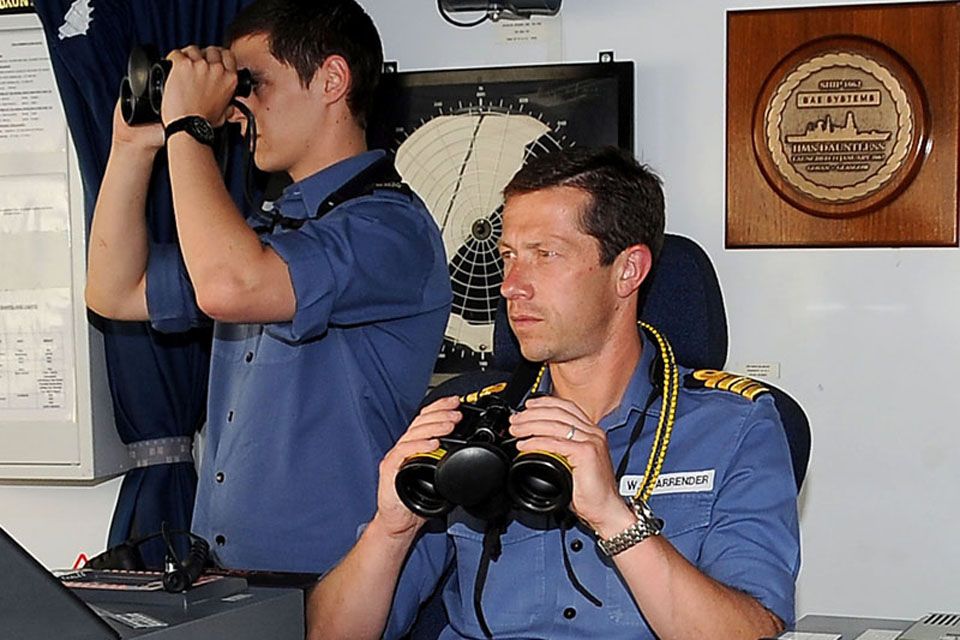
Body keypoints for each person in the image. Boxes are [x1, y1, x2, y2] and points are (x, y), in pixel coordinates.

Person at [305, 146, 800, 639]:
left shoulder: (735, 427)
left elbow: (751, 632)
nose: (511, 286)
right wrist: (389, 532)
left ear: (628, 270)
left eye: (545, 255)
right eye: (508, 257)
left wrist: (613, 516)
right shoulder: (468, 426)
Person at [84, 0, 451, 573]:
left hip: (337, 579)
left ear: (332, 79)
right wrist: (133, 146)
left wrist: (189, 128)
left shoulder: (390, 230)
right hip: (230, 582)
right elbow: (114, 289)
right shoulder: (269, 231)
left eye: (252, 84)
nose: (236, 109)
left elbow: (232, 287)